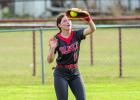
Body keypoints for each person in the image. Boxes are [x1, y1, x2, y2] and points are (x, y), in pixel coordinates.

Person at [47, 8, 96, 100]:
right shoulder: (56, 39)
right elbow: (49, 60)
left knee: (82, 98)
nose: (68, 22)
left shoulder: (76, 35)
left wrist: (88, 19)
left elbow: (92, 29)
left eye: (69, 20)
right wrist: (53, 48)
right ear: (59, 25)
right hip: (61, 73)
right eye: (64, 21)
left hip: (75, 72)